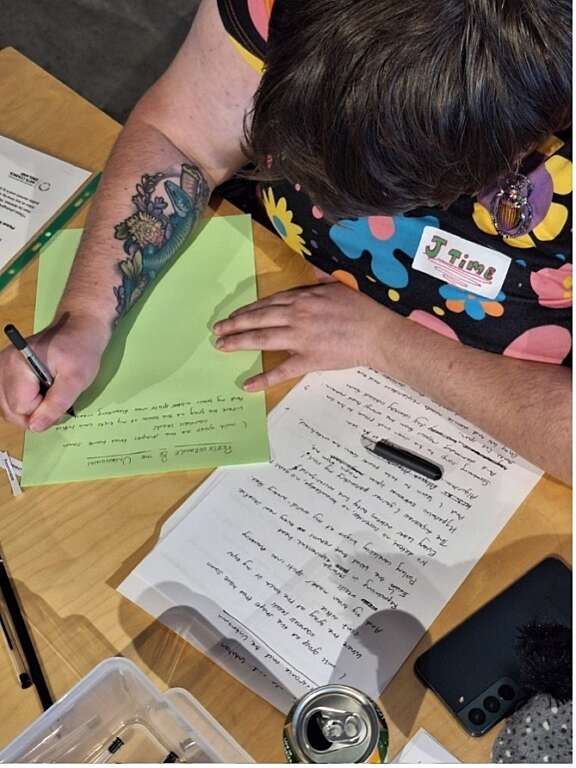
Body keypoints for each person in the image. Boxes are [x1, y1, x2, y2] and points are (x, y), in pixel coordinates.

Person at [0, 0, 571, 483]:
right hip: (278, 291)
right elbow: (184, 136)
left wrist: (384, 342)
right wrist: (86, 315)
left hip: (493, 420)